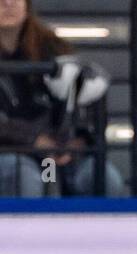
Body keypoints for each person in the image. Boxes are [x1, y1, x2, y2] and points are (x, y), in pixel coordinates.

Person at [0, 0, 123, 197]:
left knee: (106, 179)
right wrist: (35, 141)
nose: (8, 3)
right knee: (24, 178)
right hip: (10, 153)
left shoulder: (54, 48)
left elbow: (83, 98)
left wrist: (77, 142)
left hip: (58, 153)